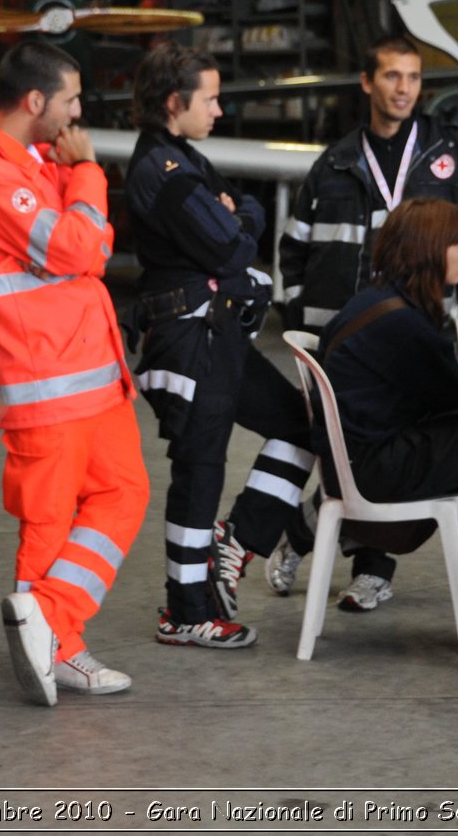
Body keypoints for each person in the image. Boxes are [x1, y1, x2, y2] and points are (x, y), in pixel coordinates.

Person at [272, 35, 458, 612]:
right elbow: (292, 250)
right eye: (392, 76)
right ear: (368, 82)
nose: (404, 89)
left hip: (414, 321)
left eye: (414, 78)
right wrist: (302, 320)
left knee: (395, 435)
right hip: (358, 331)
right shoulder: (335, 160)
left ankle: (358, 562)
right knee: (388, 437)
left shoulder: (450, 149)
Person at [0, 41, 150, 705]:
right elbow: (79, 246)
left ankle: (49, 624)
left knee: (124, 493)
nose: (79, 113)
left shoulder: (29, 161)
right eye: (71, 100)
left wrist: (74, 188)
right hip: (43, 379)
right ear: (36, 102)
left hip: (90, 371)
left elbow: (82, 248)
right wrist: (87, 173)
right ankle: (57, 645)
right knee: (48, 521)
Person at [124, 43, 316, 647]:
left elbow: (245, 216)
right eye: (209, 98)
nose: (220, 109)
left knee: (299, 427)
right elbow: (232, 246)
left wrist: (238, 217)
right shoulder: (163, 168)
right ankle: (186, 611)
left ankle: (236, 542)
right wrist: (236, 223)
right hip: (188, 340)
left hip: (216, 336)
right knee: (199, 472)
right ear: (174, 103)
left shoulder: (185, 159)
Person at [317, 198, 458, 512]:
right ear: (430, 249)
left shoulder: (373, 300)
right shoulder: (401, 322)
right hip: (371, 472)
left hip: (347, 464)